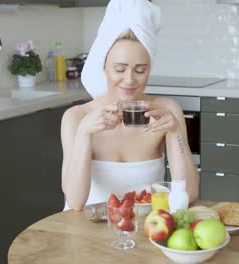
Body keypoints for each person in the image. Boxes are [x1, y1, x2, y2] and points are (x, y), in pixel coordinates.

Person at [61, 0, 199, 211]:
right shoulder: (76, 117)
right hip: (88, 231)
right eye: (120, 68)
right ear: (104, 66)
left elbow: (189, 194)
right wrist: (84, 134)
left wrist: (175, 131)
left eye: (140, 70)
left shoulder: (166, 110)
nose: (129, 80)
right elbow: (75, 201)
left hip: (145, 230)